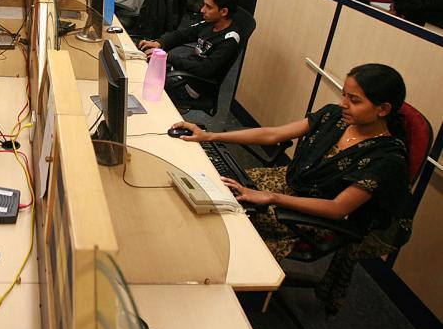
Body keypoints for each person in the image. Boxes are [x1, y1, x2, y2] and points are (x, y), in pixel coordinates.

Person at [170, 63, 413, 315]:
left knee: (227, 212)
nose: (343, 103)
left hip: (312, 214)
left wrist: (272, 197)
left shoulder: (386, 159)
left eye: (354, 100)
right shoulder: (334, 117)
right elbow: (272, 134)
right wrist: (210, 137)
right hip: (287, 182)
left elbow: (337, 208)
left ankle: (214, 291)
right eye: (344, 95)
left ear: (383, 109)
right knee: (211, 185)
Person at [139, 0, 241, 104]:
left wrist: (168, 57)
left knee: (145, 88)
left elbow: (205, 69)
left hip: (194, 86)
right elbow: (182, 35)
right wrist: (159, 43)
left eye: (208, 7)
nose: (202, 10)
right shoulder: (209, 23)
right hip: (183, 73)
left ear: (223, 11)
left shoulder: (229, 39)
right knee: (142, 73)